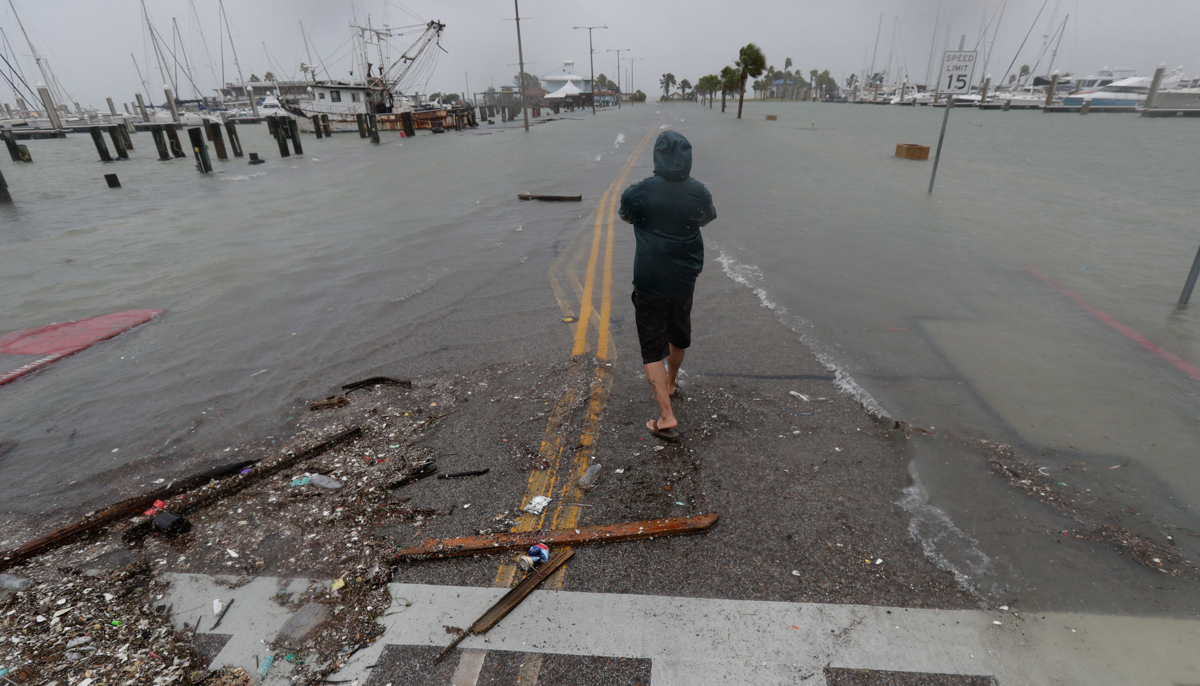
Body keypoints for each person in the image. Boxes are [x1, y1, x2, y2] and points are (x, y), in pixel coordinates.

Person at [618, 130, 717, 441]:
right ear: (687, 158)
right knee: (678, 335)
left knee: (651, 349)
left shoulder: (637, 193)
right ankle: (672, 383)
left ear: (657, 157)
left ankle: (665, 416)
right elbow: (705, 219)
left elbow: (627, 217)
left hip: (649, 280)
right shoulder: (699, 192)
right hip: (684, 278)